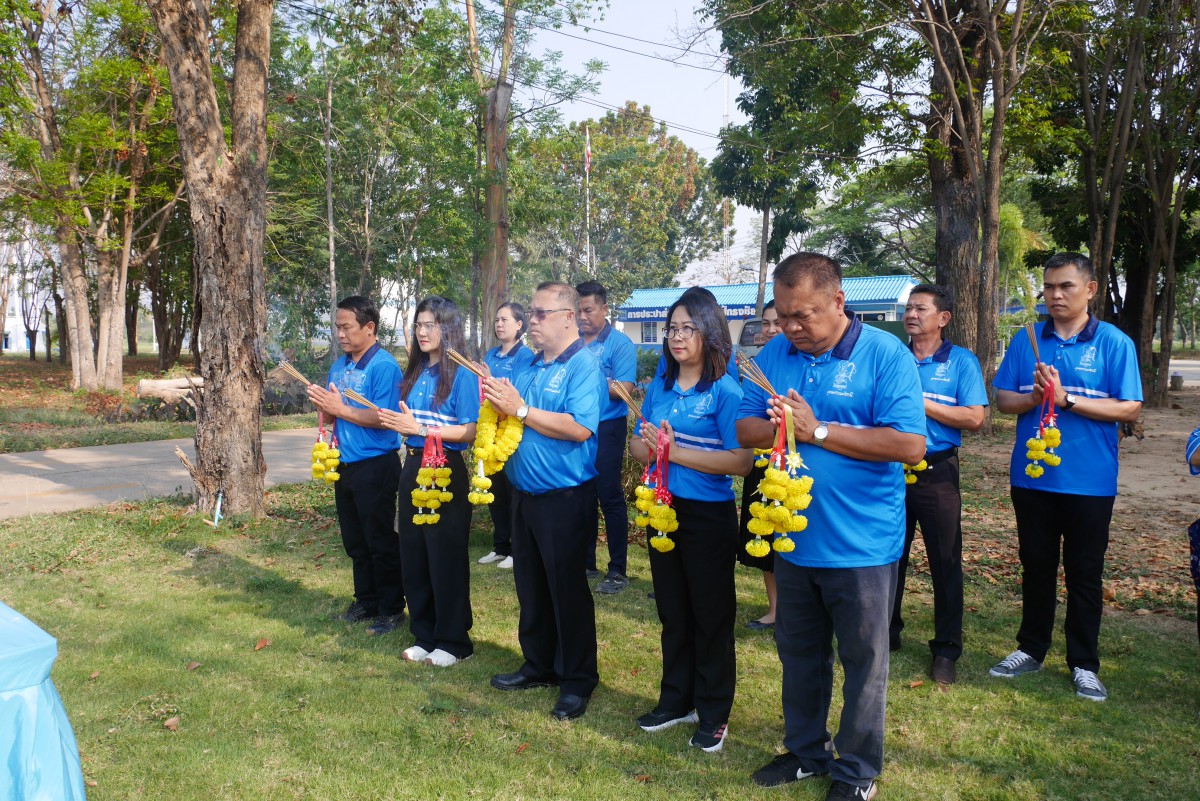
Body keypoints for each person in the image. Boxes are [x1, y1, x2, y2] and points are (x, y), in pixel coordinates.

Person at [737, 253, 925, 801]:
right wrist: (772, 425)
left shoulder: (885, 355)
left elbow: (910, 444)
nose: (792, 328)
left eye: (805, 316)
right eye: (785, 315)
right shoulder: (777, 353)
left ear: (839, 302)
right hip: (794, 538)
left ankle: (857, 770)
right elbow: (745, 424)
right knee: (798, 654)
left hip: (862, 544)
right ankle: (805, 751)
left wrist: (817, 430)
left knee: (864, 662)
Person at [989, 252, 1142, 703]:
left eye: (1066, 287)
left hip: (1090, 480)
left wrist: (1067, 398)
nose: (1055, 295)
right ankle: (1030, 648)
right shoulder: (1028, 339)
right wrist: (1034, 397)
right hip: (1033, 477)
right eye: (1049, 287)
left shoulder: (1114, 343)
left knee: (1084, 573)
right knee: (1035, 566)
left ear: (1090, 290)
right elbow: (1002, 399)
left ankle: (1084, 664)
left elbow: (1130, 408)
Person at [631, 289, 751, 753]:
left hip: (707, 517)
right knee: (673, 612)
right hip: (663, 511)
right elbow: (641, 452)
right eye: (672, 328)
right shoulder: (659, 386)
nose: (677, 337)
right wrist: (646, 441)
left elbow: (741, 461)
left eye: (688, 328)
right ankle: (676, 700)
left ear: (710, 331)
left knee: (711, 616)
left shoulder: (726, 390)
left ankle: (714, 710)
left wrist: (676, 450)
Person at [482, 282, 606, 721]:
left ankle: (576, 679)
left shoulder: (583, 366)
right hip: (524, 495)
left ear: (568, 317)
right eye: (531, 313)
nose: (531, 321)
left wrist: (519, 410)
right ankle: (538, 664)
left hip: (564, 498)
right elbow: (513, 414)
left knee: (566, 590)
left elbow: (578, 428)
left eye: (540, 313)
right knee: (531, 586)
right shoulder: (530, 364)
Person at [889, 284, 987, 686]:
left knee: (944, 561)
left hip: (936, 469)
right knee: (889, 554)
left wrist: (919, 400)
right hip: (890, 466)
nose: (912, 314)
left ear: (943, 318)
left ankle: (946, 649)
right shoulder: (893, 356)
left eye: (921, 308)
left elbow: (974, 418)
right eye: (909, 308)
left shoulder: (961, 361)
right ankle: (885, 632)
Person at [377, 297, 479, 667]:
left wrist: (420, 428)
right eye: (419, 324)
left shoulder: (463, 374)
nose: (422, 332)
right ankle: (424, 633)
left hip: (445, 469)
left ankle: (453, 641)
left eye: (430, 325)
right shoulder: (417, 371)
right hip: (413, 466)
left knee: (444, 554)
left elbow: (469, 430)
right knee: (414, 552)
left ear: (449, 329)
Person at [306, 296, 405, 636]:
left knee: (379, 540)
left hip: (375, 465)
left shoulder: (385, 367)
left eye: (347, 327)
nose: (341, 334)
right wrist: (324, 405)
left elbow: (383, 418)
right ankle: (367, 600)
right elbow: (334, 414)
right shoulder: (340, 366)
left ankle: (392, 609)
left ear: (369, 328)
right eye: (338, 328)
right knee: (355, 541)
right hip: (345, 463)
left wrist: (339, 407)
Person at [576, 281, 638, 594]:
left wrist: (588, 383)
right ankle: (586, 562)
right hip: (575, 428)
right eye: (579, 310)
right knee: (582, 494)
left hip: (606, 428)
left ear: (603, 309)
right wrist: (604, 382)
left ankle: (617, 570)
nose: (582, 316)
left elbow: (624, 391)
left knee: (608, 495)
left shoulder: (620, 344)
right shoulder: (571, 342)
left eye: (588, 310)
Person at [738, 299, 783, 631]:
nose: (769, 330)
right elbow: (745, 424)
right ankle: (775, 609)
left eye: (777, 323)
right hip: (762, 459)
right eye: (765, 324)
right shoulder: (756, 366)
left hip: (793, 465)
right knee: (765, 535)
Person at [477, 302, 533, 570]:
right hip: (490, 429)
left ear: (519, 325)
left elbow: (519, 394)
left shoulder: (525, 356)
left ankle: (516, 548)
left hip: (512, 431)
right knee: (495, 488)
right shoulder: (491, 354)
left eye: (505, 320)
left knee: (512, 491)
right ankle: (500, 545)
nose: (499, 324)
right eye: (497, 320)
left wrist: (489, 381)